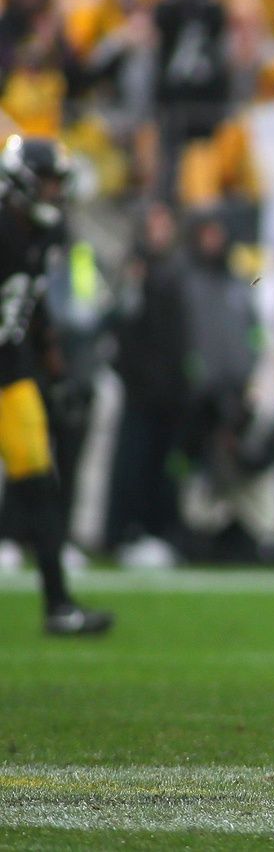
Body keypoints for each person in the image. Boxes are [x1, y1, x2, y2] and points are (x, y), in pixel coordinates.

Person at [0, 135, 113, 635]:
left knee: (40, 482)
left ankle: (58, 605)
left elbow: (35, 303)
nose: (53, 194)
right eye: (46, 184)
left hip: (9, 369)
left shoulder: (44, 234)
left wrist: (56, 369)